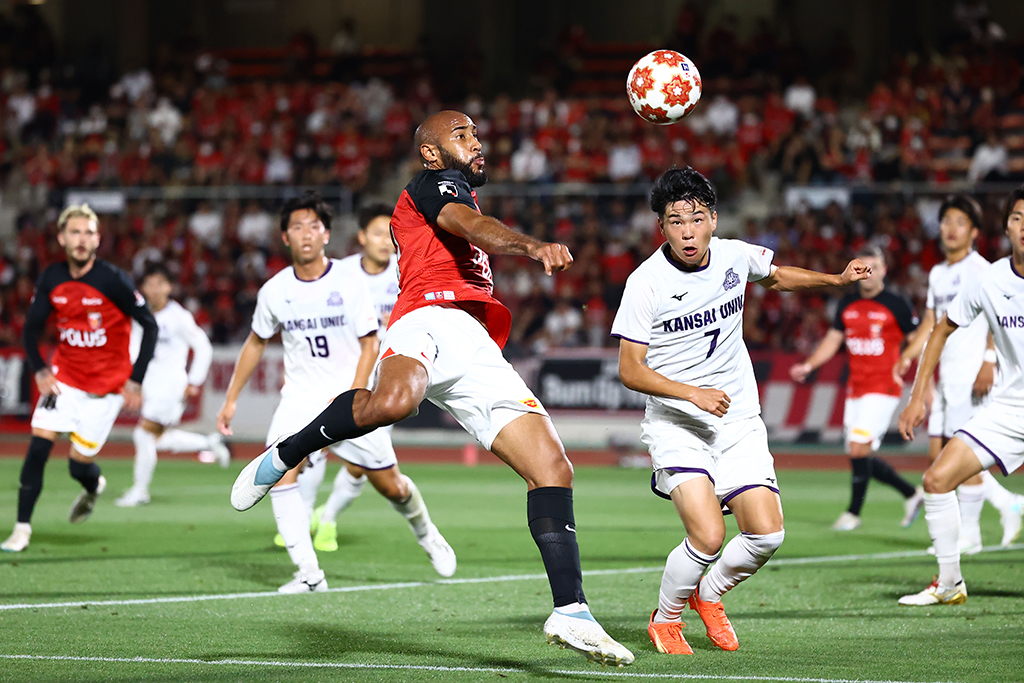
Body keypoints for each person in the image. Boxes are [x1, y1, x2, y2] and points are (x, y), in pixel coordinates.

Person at [230, 111, 634, 667]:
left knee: (552, 468)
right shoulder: (431, 185)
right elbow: (469, 224)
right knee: (395, 403)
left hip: (473, 343)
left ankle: (572, 612)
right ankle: (285, 453)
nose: (476, 142)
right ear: (431, 152)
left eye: (476, 133)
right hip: (425, 318)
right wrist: (530, 245)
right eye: (461, 135)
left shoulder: (458, 187)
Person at [612, 167, 870, 655]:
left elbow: (776, 276)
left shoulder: (733, 254)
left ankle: (708, 596)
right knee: (708, 535)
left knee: (767, 535)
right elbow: (630, 368)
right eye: (675, 222)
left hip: (738, 418)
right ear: (661, 228)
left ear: (713, 219)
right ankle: (666, 618)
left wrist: (836, 279)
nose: (687, 232)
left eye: (696, 219)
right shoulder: (646, 282)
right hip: (678, 424)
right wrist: (691, 393)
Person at [217, 191, 453, 593]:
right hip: (301, 398)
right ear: (285, 237)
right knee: (281, 471)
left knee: (392, 487)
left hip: (351, 398)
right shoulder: (274, 290)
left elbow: (369, 343)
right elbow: (256, 341)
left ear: (326, 234)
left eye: (314, 226)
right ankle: (309, 575)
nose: (306, 233)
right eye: (297, 227)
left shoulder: (349, 280)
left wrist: (352, 399)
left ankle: (427, 533)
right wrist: (231, 399)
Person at [293, 203, 455, 570]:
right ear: (362, 237)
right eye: (378, 234)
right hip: (331, 379)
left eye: (390, 235)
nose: (385, 241)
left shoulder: (407, 270)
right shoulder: (340, 274)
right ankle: (301, 530)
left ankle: (421, 532)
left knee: (383, 481)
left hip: (382, 384)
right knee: (302, 450)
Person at [1, 204, 158, 553]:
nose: (82, 239)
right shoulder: (52, 277)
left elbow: (149, 325)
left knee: (78, 464)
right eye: (75, 232)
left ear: (98, 239)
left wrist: (136, 379)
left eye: (89, 233)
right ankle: (21, 529)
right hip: (65, 379)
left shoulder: (113, 280)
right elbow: (30, 329)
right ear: (62, 238)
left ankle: (92, 485)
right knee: (38, 447)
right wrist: (40, 369)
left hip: (106, 389)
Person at [897, 185, 1024, 605]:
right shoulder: (989, 279)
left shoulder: (977, 270)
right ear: (1006, 227)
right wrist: (917, 396)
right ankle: (949, 584)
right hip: (1009, 408)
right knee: (936, 478)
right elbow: (940, 329)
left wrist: (986, 358)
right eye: (1018, 218)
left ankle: (1004, 509)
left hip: (979, 385)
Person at [790, 245, 925, 531]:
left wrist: (926, 385)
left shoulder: (897, 304)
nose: (868, 273)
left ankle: (852, 513)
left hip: (884, 387)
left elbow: (918, 344)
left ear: (884, 270)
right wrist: (809, 365)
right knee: (859, 454)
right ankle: (911, 494)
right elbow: (833, 340)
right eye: (863, 267)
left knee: (857, 448)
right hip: (856, 389)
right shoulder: (847, 303)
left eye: (874, 267)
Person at [115, 262, 230, 508]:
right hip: (150, 387)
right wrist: (134, 381)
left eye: (160, 284)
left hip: (170, 387)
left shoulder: (178, 317)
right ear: (143, 288)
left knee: (143, 434)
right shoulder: (140, 315)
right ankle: (209, 443)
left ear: (169, 287)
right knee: (156, 439)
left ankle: (140, 491)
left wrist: (194, 381)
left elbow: (203, 346)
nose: (155, 289)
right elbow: (135, 349)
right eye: (150, 284)